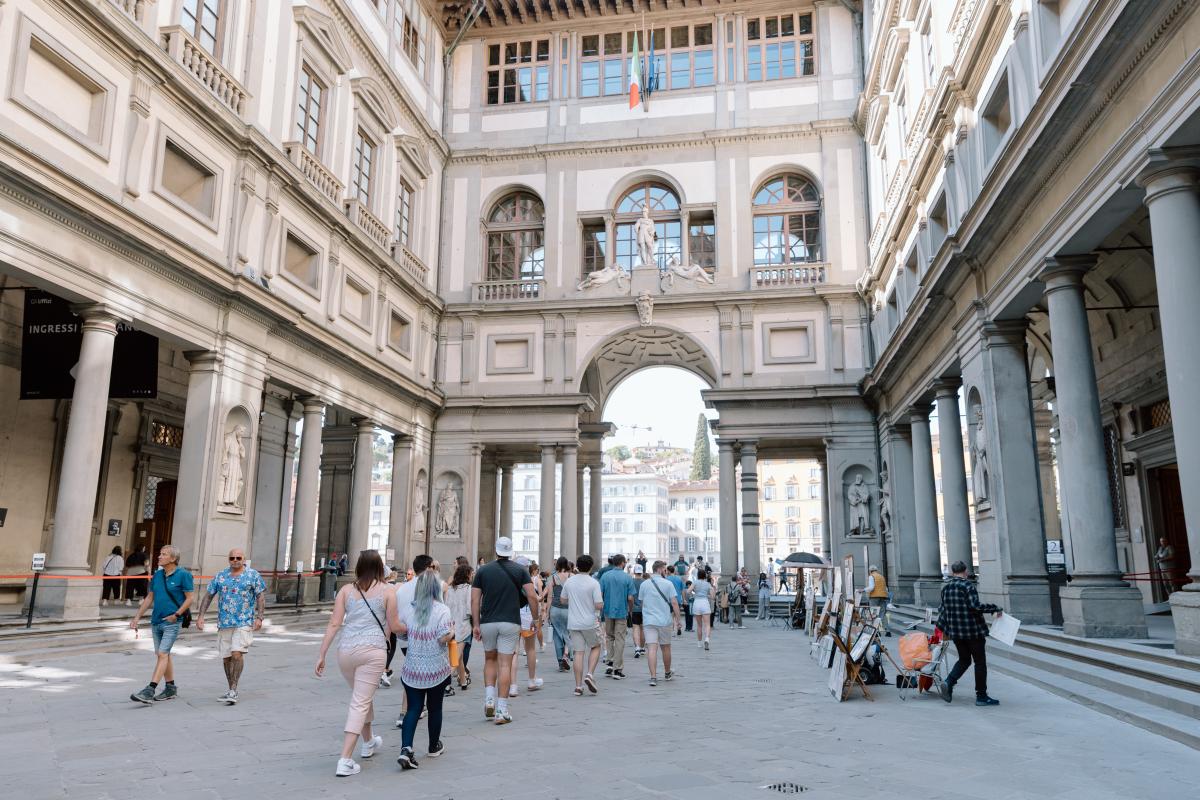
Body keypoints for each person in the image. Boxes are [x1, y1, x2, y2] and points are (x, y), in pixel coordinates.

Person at [315, 550, 403, 777]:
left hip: (345, 651)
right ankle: (344, 759)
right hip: (373, 651)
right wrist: (416, 629)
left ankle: (369, 741)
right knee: (360, 701)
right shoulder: (388, 591)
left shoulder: (345, 590)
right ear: (379, 566)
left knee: (361, 696)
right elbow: (394, 626)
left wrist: (322, 654)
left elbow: (334, 624)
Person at [470, 536, 539, 725]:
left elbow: (475, 600)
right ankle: (502, 710)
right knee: (505, 664)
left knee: (489, 659)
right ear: (511, 550)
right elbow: (532, 596)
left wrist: (476, 624)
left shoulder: (483, 571)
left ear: (496, 549)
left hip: (488, 621)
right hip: (510, 621)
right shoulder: (520, 570)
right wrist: (536, 618)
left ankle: (489, 699)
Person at [396, 572, 454, 770]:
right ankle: (433, 745)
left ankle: (406, 748)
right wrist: (452, 633)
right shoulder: (442, 610)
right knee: (435, 708)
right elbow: (442, 638)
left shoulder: (408, 611)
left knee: (413, 709)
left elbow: (402, 637)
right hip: (436, 669)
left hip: (412, 669)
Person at [195, 547, 266, 704]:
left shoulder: (252, 575)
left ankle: (234, 689)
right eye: (232, 558)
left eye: (238, 558)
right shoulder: (221, 576)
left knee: (236, 653)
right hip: (224, 622)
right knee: (226, 658)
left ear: (243, 559)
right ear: (229, 559)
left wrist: (260, 617)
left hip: (244, 621)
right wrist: (201, 616)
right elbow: (208, 596)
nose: (235, 560)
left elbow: (260, 596)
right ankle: (231, 689)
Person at [129, 545, 194, 704]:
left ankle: (150, 690)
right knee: (163, 654)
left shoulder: (183, 575)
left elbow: (190, 598)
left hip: (172, 621)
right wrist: (137, 617)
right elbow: (150, 597)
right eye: (160, 554)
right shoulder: (157, 575)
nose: (159, 556)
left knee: (163, 654)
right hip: (156, 621)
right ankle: (171, 688)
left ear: (173, 559)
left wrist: (177, 614)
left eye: (163, 554)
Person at [937, 560, 1003, 707]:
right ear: (965, 571)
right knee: (979, 662)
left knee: (964, 660)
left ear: (953, 572)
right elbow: (975, 606)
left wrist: (945, 628)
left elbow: (942, 610)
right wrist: (994, 608)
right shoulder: (968, 586)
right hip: (973, 632)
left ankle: (949, 682)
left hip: (956, 632)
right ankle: (981, 696)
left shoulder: (946, 588)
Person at [560, 554, 603, 696]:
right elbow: (598, 604)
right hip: (589, 622)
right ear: (591, 567)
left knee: (578, 653)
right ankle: (589, 674)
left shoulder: (570, 581)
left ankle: (578, 687)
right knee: (596, 646)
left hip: (574, 622)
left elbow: (563, 600)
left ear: (577, 566)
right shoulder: (593, 583)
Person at [638, 561, 681, 686]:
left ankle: (653, 677)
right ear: (661, 569)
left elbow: (641, 603)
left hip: (649, 621)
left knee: (652, 648)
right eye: (665, 569)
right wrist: (678, 620)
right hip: (664, 621)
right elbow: (674, 603)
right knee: (666, 647)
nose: (666, 571)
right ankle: (667, 672)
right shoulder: (668, 584)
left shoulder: (644, 584)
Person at [509, 559, 543, 697]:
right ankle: (531, 680)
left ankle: (513, 686)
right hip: (527, 615)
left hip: (512, 616)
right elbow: (533, 598)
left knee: (513, 652)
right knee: (530, 648)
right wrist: (536, 619)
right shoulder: (527, 581)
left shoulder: (509, 580)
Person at [599, 554, 635, 679]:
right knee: (620, 639)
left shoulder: (605, 576)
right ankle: (617, 669)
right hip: (621, 611)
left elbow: (600, 594)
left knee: (609, 637)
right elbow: (630, 598)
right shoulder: (627, 577)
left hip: (607, 611)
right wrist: (630, 610)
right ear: (622, 563)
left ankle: (609, 661)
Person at [445, 564, 474, 691]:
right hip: (464, 625)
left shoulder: (450, 588)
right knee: (456, 656)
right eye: (471, 573)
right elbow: (469, 609)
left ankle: (463, 681)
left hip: (451, 625)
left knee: (459, 656)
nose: (472, 575)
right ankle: (444, 682)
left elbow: (446, 606)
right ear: (467, 574)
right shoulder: (469, 588)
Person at [548, 557, 573, 671]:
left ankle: (560, 662)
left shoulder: (552, 577)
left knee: (557, 635)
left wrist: (547, 612)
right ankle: (566, 654)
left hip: (555, 609)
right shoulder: (571, 577)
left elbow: (549, 596)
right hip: (568, 609)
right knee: (568, 633)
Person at [690, 569, 714, 650]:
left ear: (698, 575)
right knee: (707, 624)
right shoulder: (708, 584)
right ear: (705, 576)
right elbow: (712, 596)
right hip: (705, 603)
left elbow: (688, 591)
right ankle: (707, 639)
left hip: (697, 603)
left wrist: (694, 593)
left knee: (699, 625)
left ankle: (699, 643)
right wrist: (707, 595)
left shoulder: (695, 582)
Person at [865, 565, 891, 636]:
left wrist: (863, 590)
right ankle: (888, 631)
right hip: (883, 597)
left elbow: (871, 587)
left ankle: (876, 631)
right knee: (882, 614)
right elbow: (886, 588)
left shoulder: (871, 576)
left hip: (874, 597)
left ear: (870, 571)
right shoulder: (881, 577)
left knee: (874, 614)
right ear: (876, 570)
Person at [630, 563, 646, 658]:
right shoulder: (645, 582)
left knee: (635, 628)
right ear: (642, 572)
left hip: (634, 608)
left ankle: (637, 648)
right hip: (644, 608)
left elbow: (630, 597)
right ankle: (643, 647)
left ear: (634, 572)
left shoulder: (631, 582)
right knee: (643, 628)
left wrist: (630, 609)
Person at [667, 567, 686, 635]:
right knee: (677, 614)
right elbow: (683, 590)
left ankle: (672, 631)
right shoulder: (679, 578)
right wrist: (684, 599)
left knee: (671, 615)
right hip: (678, 599)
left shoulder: (667, 579)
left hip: (669, 599)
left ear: (668, 571)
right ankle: (678, 627)